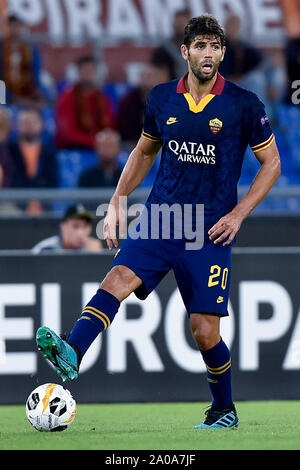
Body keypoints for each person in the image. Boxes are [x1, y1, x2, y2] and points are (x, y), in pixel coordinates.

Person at [36, 15, 281, 429]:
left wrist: (239, 213)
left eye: (215, 46)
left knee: (204, 332)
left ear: (222, 53)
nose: (208, 53)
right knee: (116, 278)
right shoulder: (161, 98)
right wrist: (118, 198)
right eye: (200, 45)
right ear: (184, 52)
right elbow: (145, 152)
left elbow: (271, 162)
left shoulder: (243, 103)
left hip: (209, 230)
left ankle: (224, 409)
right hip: (163, 218)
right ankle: (73, 351)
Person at [55, 56, 115, 150]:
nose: (88, 74)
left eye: (91, 71)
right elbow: (68, 133)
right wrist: (96, 142)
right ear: (78, 73)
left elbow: (109, 125)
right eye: (85, 71)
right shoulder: (67, 98)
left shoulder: (102, 98)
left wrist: (106, 140)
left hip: (101, 147)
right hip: (75, 147)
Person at [117, 61, 173, 148]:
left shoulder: (170, 100)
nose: (148, 81)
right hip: (133, 144)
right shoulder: (128, 101)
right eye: (145, 76)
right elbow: (126, 132)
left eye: (151, 77)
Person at [0, 13, 43, 106]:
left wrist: (35, 95)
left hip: (26, 92)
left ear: (22, 27)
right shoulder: (1, 48)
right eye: (11, 26)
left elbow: (35, 74)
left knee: (42, 103)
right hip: (4, 93)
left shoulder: (30, 49)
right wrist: (11, 98)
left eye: (16, 26)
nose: (14, 29)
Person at [32, 204, 103, 253]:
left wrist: (94, 256)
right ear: (63, 227)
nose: (81, 233)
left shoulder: (91, 248)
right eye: (75, 226)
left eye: (85, 226)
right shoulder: (45, 250)